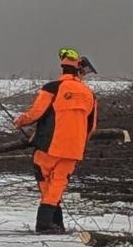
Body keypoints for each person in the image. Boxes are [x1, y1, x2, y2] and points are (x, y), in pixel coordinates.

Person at [13, 48, 99, 234]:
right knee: (58, 184)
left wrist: (20, 121)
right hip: (73, 150)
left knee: (46, 183)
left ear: (62, 67)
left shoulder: (52, 88)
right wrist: (78, 142)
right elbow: (91, 127)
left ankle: (44, 224)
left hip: (48, 146)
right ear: (80, 70)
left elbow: (36, 113)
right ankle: (55, 223)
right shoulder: (90, 95)